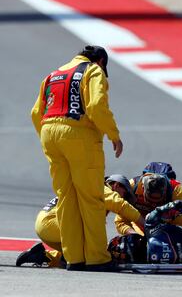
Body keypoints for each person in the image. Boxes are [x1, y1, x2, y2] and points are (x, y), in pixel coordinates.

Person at [31, 45, 123, 271]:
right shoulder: (93, 70)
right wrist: (114, 134)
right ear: (101, 61)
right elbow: (95, 105)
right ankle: (97, 258)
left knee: (66, 199)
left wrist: (49, 136)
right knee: (91, 198)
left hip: (49, 134)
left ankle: (74, 258)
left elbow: (35, 113)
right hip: (79, 136)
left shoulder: (53, 74)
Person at [16, 175, 145, 269]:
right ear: (115, 185)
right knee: (93, 250)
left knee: (78, 258)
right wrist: (144, 223)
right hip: (52, 223)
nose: (125, 198)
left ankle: (42, 256)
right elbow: (119, 204)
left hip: (46, 223)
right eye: (125, 194)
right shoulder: (100, 187)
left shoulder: (91, 189)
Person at [115, 172, 182, 235]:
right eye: (150, 200)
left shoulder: (177, 192)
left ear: (165, 193)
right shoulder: (131, 187)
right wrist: (134, 235)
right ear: (143, 189)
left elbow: (180, 224)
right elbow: (121, 222)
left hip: (172, 225)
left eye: (158, 201)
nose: (153, 205)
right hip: (143, 226)